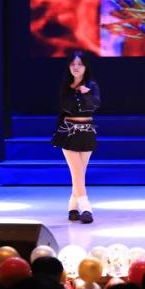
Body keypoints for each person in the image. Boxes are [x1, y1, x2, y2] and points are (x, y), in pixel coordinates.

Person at [51, 51, 101, 224]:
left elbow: (94, 106)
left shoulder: (92, 85)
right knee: (77, 172)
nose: (76, 67)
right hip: (69, 132)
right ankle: (86, 208)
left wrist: (85, 93)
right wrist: (78, 92)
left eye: (80, 64)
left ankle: (72, 206)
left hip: (87, 132)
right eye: (73, 64)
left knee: (80, 173)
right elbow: (68, 108)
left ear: (85, 66)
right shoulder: (66, 86)